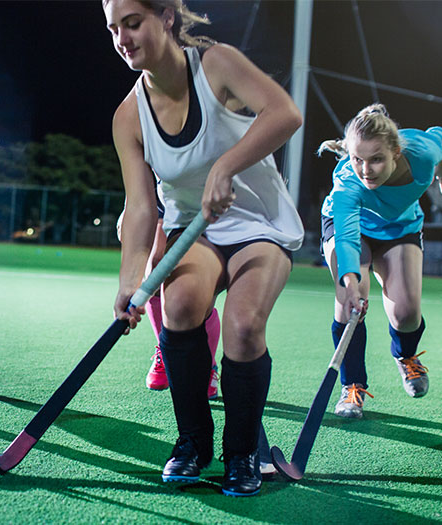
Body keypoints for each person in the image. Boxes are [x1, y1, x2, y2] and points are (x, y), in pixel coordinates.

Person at [103, 0, 304, 496]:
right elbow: (142, 208)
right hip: (194, 227)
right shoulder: (128, 116)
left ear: (166, 17)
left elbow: (286, 113)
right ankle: (192, 443)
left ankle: (241, 454)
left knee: (243, 323)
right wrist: (130, 281)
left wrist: (225, 167)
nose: (123, 38)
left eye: (133, 22)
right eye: (113, 29)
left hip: (260, 222)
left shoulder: (216, 65)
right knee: (181, 305)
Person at [319, 104, 442, 418]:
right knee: (350, 303)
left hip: (399, 228)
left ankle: (406, 356)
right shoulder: (348, 181)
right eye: (358, 159)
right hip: (350, 226)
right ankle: (352, 386)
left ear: (397, 153)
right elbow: (346, 236)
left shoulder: (423, 155)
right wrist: (349, 281)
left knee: (406, 314)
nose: (365, 170)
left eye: (376, 160)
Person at [117, 206, 221, 398]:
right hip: (169, 196)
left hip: (212, 201)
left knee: (203, 279)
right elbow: (143, 181)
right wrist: (128, 209)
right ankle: (166, 353)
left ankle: (206, 364)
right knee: (155, 268)